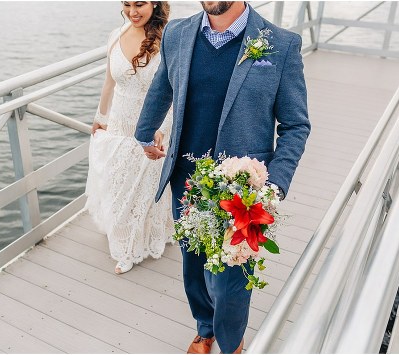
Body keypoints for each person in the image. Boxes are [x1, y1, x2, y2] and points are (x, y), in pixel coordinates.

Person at [134, 1, 311, 353]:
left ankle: (231, 343)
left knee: (231, 279)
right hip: (185, 180)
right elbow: (162, 87)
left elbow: (295, 125)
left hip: (242, 190)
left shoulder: (281, 43)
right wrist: (144, 132)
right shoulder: (177, 33)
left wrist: (272, 187)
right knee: (194, 265)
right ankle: (205, 329)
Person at [85, 1, 174, 275]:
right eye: (127, 4)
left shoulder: (170, 38)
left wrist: (162, 128)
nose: (133, 11)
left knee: (145, 188)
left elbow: (176, 90)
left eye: (140, 4)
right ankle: (124, 239)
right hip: (120, 125)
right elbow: (109, 82)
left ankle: (131, 248)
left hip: (154, 127)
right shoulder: (116, 35)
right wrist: (101, 116)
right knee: (119, 185)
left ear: (155, 4)